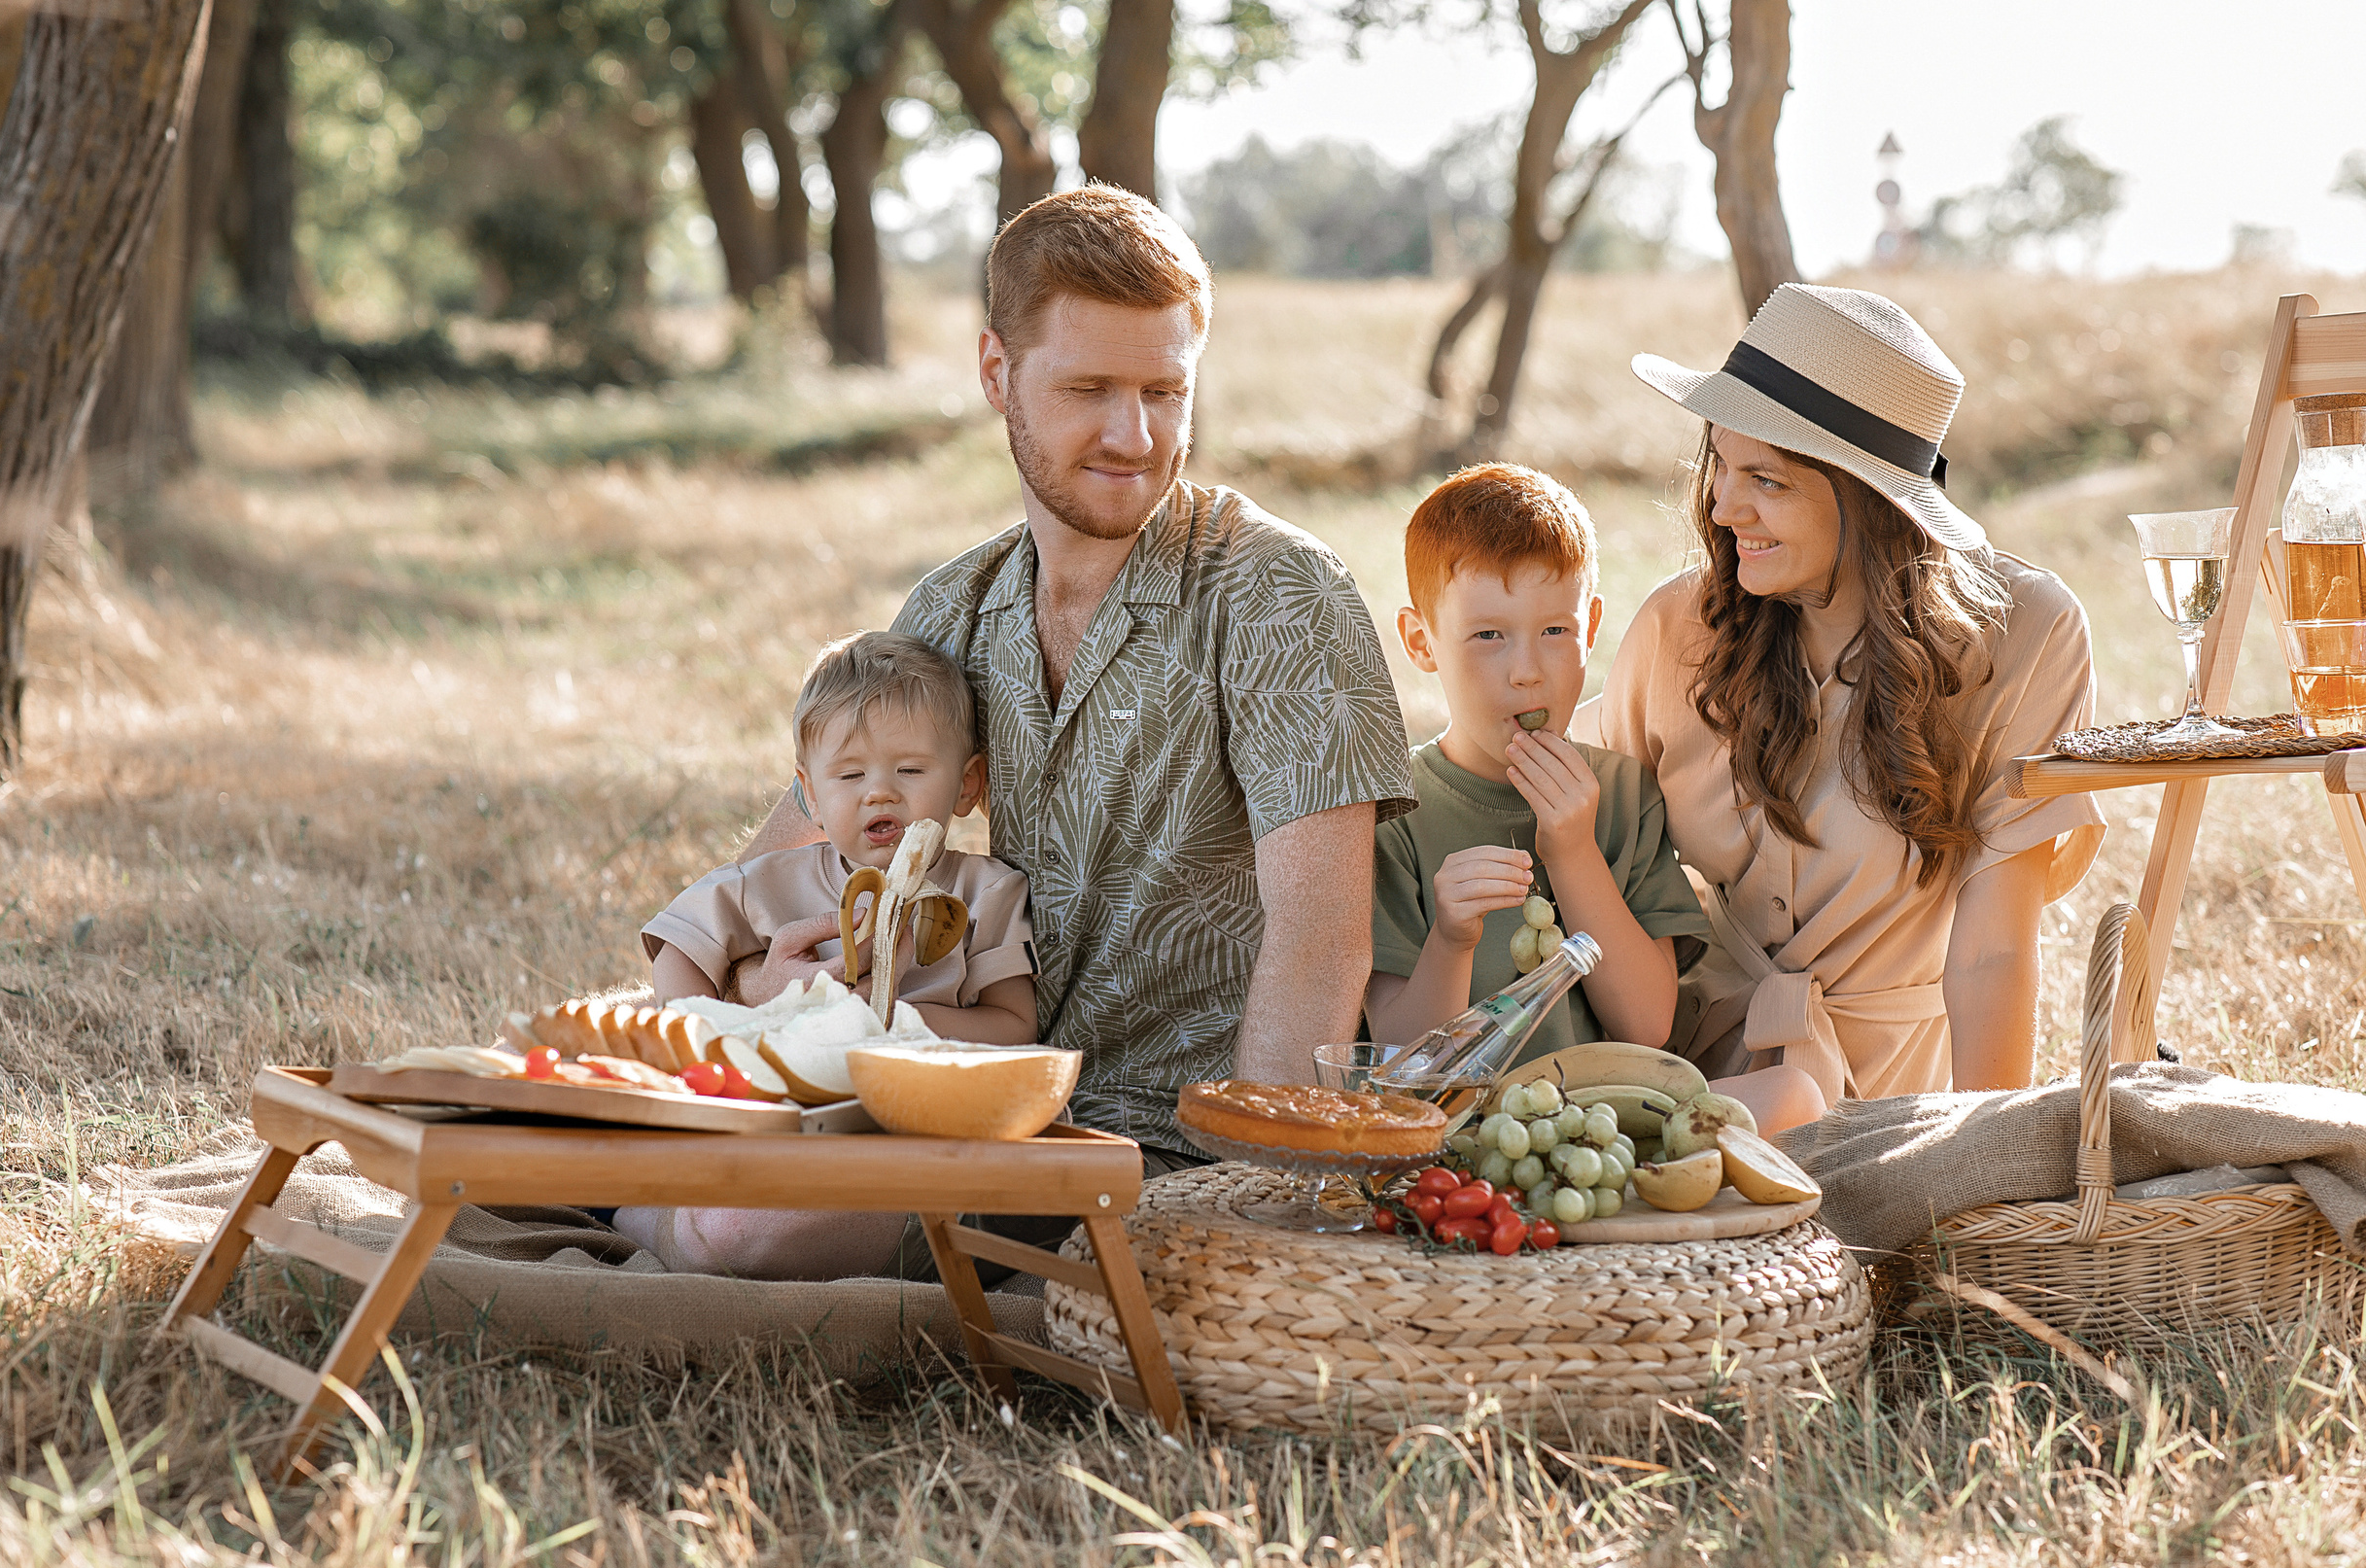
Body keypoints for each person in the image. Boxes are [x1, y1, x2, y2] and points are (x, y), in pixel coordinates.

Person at [693, 184, 1414, 1275]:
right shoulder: (955, 606)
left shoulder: (1279, 595)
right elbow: (790, 847)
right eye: (1088, 389)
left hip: (1167, 1149)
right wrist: (747, 978)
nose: (1135, 436)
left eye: (1165, 392)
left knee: (734, 1235)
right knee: (668, 1172)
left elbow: (1320, 944)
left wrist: (1256, 1214)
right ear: (997, 375)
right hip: (970, 1101)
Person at [1578, 283, 2105, 1107]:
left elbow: (1992, 951)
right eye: (1720, 461)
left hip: (1889, 1105)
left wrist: (1978, 1166)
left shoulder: (2027, 636)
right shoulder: (1678, 628)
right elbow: (1585, 845)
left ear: (1871, 500)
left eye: (1768, 479)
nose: (1722, 504)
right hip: (1680, 1079)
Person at [1367, 463, 1820, 1132]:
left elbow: (1646, 1023)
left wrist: (1575, 852)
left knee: (1794, 1095)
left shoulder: (1621, 792)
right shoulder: (1393, 814)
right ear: (1420, 640)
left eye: (1556, 631)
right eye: (1488, 635)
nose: (1527, 671)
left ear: (1592, 627)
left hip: (1604, 1126)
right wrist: (1452, 938)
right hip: (1472, 1135)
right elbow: (1406, 1066)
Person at [617, 631, 1039, 1276]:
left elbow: (1016, 1026)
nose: (880, 792)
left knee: (752, 1222)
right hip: (782, 1116)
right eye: (849, 775)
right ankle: (640, 1212)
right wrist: (708, 1043)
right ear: (810, 794)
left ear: (967, 783)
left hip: (904, 1137)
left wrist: (889, 1016)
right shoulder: (772, 882)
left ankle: (678, 1226)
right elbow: (679, 944)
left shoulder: (988, 892)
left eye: (911, 770)